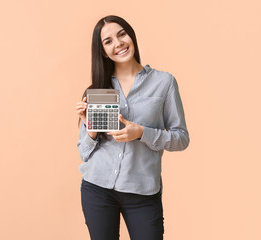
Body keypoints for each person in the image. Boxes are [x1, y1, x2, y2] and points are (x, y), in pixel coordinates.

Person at [75, 15, 190, 240]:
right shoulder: (98, 89)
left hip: (143, 192)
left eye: (121, 34)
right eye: (108, 41)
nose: (118, 44)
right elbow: (84, 152)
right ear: (102, 51)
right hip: (97, 188)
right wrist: (90, 128)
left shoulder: (164, 83)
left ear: (131, 36)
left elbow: (181, 138)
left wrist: (142, 133)